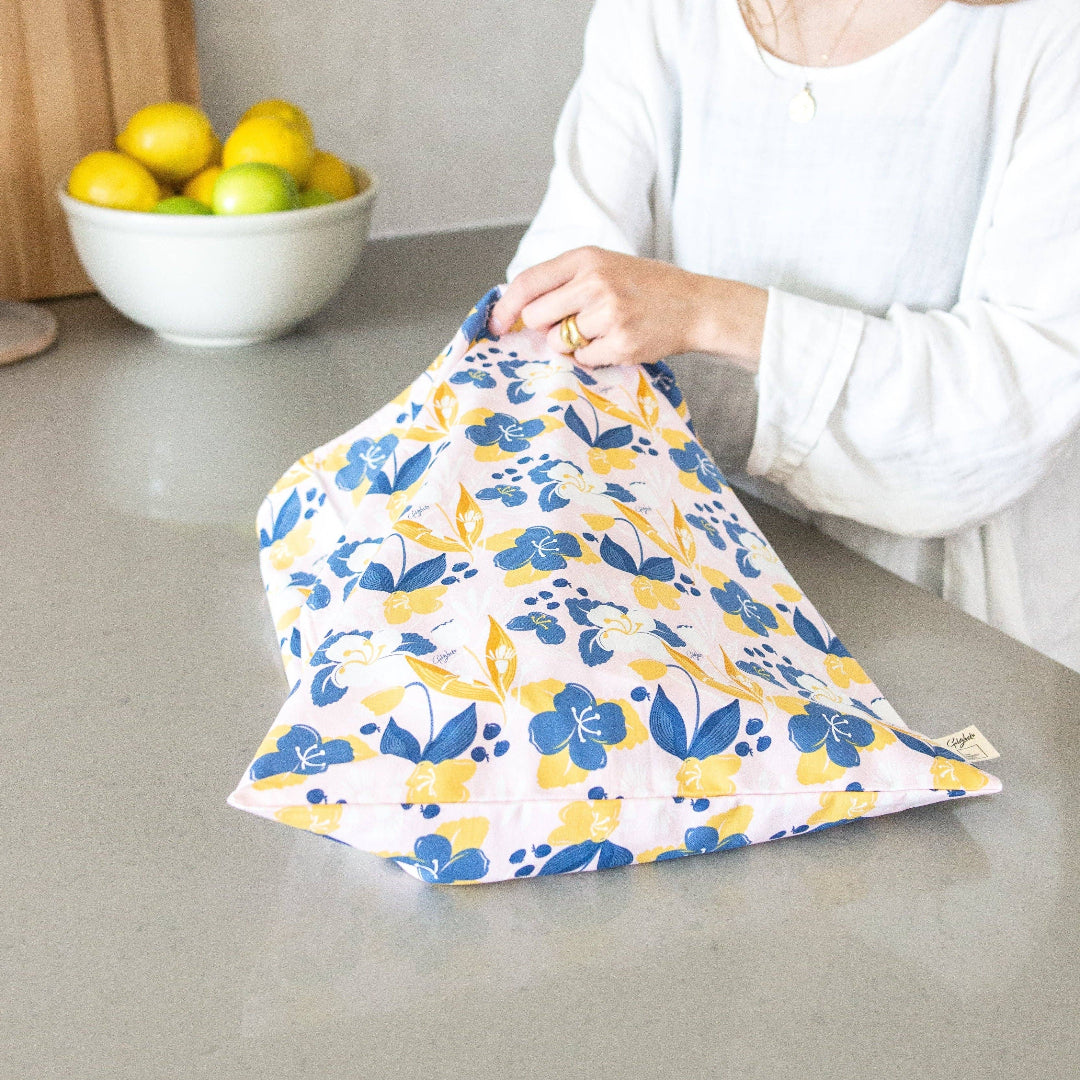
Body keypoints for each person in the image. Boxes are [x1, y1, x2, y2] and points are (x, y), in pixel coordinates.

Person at [490, 0, 1080, 673]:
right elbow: (561, 303)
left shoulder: (1053, 35)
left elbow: (1007, 407)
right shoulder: (657, 14)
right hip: (683, 595)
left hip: (963, 629)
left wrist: (705, 311)